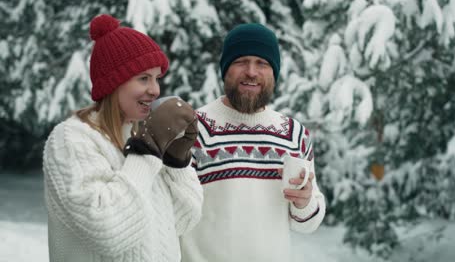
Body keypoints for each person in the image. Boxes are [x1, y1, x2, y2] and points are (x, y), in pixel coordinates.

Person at [43, 14, 203, 262]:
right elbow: (107, 232)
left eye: (157, 78)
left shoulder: (141, 135)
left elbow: (182, 221)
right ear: (113, 83)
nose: (155, 90)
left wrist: (176, 161)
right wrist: (148, 150)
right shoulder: (71, 139)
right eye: (143, 78)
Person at [180, 23, 326, 261]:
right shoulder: (193, 129)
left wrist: (304, 201)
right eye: (241, 61)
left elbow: (307, 224)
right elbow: (171, 215)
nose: (251, 71)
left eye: (262, 63)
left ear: (273, 72)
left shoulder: (293, 134)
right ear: (226, 69)